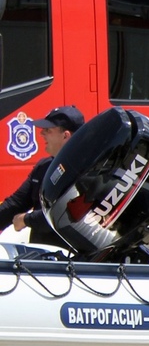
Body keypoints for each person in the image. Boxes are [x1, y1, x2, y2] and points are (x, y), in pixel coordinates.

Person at [0, 105, 83, 245]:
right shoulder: (43, 166)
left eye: (48, 130)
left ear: (65, 135)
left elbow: (63, 213)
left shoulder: (85, 169)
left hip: (73, 260)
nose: (41, 133)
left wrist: (26, 219)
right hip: (40, 260)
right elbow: (16, 203)